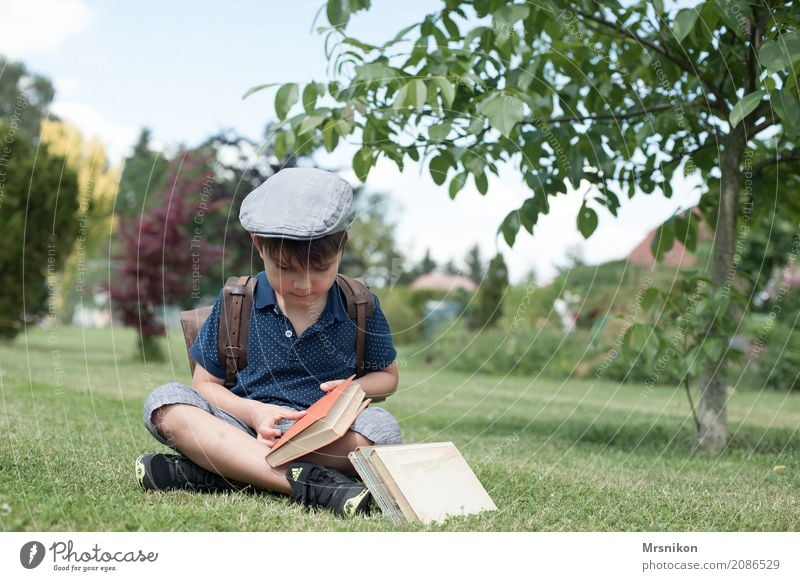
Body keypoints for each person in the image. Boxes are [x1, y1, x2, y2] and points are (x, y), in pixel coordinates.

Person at [135, 168, 402, 518]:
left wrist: (352, 390)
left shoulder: (359, 304)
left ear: (342, 246)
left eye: (320, 269)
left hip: (318, 437)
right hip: (241, 426)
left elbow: (388, 377)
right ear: (259, 245)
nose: (303, 285)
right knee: (165, 404)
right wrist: (253, 412)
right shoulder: (237, 301)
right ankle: (312, 484)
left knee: (382, 432)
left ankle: (217, 471)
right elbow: (205, 385)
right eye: (286, 268)